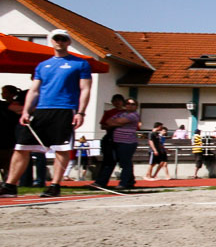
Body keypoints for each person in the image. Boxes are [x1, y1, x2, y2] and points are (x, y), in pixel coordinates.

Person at [0, 30, 92, 198]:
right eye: (56, 39)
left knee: (61, 148)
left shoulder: (80, 64)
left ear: (68, 42)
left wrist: (81, 112)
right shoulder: (42, 65)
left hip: (65, 109)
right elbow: (34, 90)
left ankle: (55, 185)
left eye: (63, 39)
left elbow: (85, 89)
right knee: (21, 147)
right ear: (51, 41)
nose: (59, 42)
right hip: (42, 110)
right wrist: (26, 111)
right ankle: (10, 185)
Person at [105, 98, 140, 189]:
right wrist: (116, 123)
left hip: (128, 142)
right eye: (128, 103)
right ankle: (130, 181)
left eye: (133, 104)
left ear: (136, 106)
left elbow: (118, 121)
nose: (130, 105)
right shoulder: (121, 114)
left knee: (125, 163)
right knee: (122, 162)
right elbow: (108, 122)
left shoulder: (134, 115)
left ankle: (124, 182)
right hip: (117, 141)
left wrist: (116, 123)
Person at [93, 93, 125, 188]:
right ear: (112, 102)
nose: (117, 103)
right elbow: (103, 125)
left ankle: (127, 181)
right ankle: (101, 181)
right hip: (110, 138)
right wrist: (114, 125)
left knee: (124, 161)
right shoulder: (109, 113)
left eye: (119, 101)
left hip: (123, 138)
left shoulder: (127, 113)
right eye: (115, 101)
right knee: (108, 160)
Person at [0, 85, 25, 181]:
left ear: (11, 94)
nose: (2, 94)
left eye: (5, 92)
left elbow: (18, 109)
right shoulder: (3, 105)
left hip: (9, 138)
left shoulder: (7, 105)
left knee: (9, 163)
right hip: (5, 138)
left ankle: (9, 181)